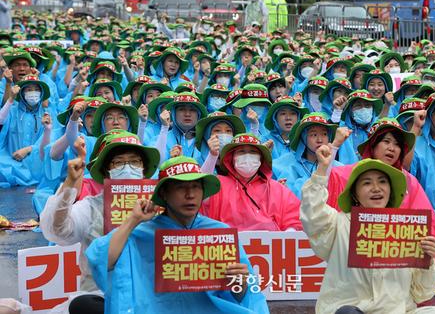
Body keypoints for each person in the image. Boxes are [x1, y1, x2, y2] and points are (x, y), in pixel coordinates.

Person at [85, 156, 269, 314]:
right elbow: (101, 261)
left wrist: (241, 284)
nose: (190, 195)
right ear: (164, 193)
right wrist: (133, 220)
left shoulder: (220, 233)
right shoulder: (141, 233)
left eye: (196, 186)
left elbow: (249, 295)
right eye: (181, 187)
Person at [301, 156, 435, 314]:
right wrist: (322, 169)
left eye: (382, 181)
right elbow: (313, 214)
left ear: (390, 191)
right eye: (367, 183)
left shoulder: (407, 231)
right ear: (355, 194)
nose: (376, 188)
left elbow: (422, 294)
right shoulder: (338, 223)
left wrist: (428, 261)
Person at [39, 131, 160, 313]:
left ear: (144, 168)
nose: (128, 167)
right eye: (119, 162)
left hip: (150, 299)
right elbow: (58, 231)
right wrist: (69, 185)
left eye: (135, 161)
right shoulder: (92, 207)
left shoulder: (160, 208)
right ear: (106, 171)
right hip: (99, 298)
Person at [327, 117, 435, 285]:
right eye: (386, 141)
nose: (392, 148)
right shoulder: (343, 175)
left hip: (399, 251)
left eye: (397, 144)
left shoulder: (410, 181)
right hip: (358, 251)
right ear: (373, 145)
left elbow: (428, 223)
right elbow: (330, 223)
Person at [201, 133, 303, 231]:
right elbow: (202, 192)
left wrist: (288, 234)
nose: (247, 156)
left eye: (253, 152)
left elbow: (294, 220)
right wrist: (213, 155)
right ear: (231, 158)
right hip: (229, 246)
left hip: (270, 246)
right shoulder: (218, 185)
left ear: (261, 158)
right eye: (241, 152)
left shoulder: (278, 189)